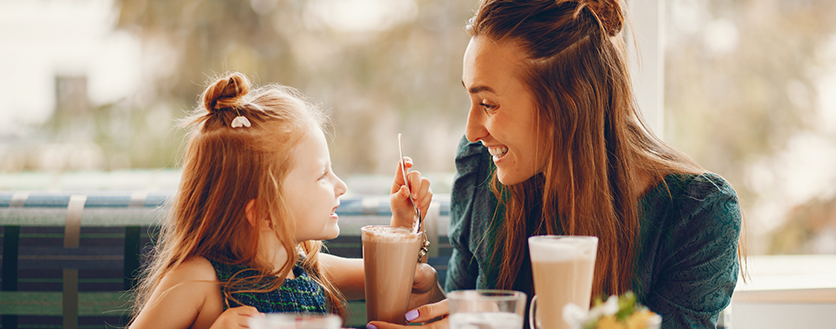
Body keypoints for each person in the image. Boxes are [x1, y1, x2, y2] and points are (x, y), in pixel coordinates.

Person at [370, 1, 742, 329]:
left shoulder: (698, 215)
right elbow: (465, 303)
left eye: (489, 104)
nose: (471, 133)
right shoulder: (483, 171)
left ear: (565, 105)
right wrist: (432, 303)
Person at [128, 72, 435, 329]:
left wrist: (404, 223)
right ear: (264, 213)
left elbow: (394, 280)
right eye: (322, 175)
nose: (340, 186)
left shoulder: (306, 267)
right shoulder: (198, 279)